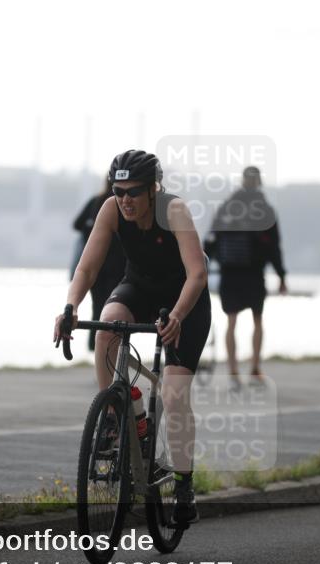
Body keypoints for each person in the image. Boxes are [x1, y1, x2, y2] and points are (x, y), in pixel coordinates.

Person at [53, 150, 210, 526]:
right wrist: (71, 308)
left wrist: (176, 316)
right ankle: (118, 415)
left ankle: (185, 485)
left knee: (173, 393)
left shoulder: (174, 211)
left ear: (154, 190)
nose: (125, 199)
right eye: (118, 190)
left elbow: (198, 273)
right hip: (139, 287)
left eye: (134, 192)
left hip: (184, 299)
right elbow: (87, 267)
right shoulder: (110, 209)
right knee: (108, 325)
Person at [204, 166, 287, 388]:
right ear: (259, 182)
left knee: (231, 321)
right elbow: (274, 247)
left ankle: (233, 373)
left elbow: (211, 240)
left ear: (242, 181)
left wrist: (202, 268)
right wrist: (281, 276)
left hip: (229, 273)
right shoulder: (265, 210)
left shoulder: (227, 206)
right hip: (253, 273)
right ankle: (254, 369)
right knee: (257, 320)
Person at [71, 178, 127, 351]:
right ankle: (106, 349)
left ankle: (97, 349)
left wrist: (89, 229)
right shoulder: (117, 204)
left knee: (100, 307)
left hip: (102, 267)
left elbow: (77, 224)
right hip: (115, 266)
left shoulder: (97, 201)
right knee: (114, 309)